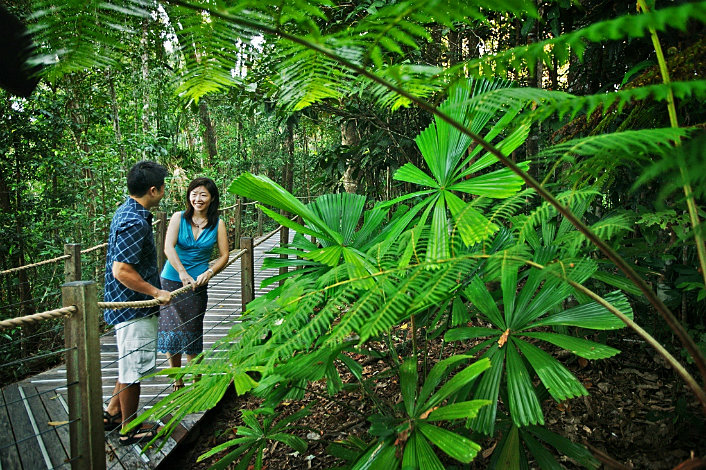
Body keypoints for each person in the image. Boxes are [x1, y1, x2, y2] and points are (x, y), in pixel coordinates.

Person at [102, 160, 172, 446]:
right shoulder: (134, 220)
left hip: (125, 305)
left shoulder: (129, 211)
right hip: (134, 307)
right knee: (133, 370)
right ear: (153, 191)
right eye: (163, 187)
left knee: (127, 364)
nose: (165, 191)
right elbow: (122, 270)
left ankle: (113, 412)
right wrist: (156, 292)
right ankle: (129, 428)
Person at [157, 177, 229, 390]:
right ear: (189, 196)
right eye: (194, 194)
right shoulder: (178, 218)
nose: (198, 199)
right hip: (171, 280)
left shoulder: (218, 223)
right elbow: (168, 248)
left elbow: (224, 255)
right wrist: (181, 272)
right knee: (171, 330)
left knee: (192, 329)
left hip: (198, 284)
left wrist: (210, 272)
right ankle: (177, 378)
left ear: (212, 198)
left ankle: (196, 379)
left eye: (203, 194)